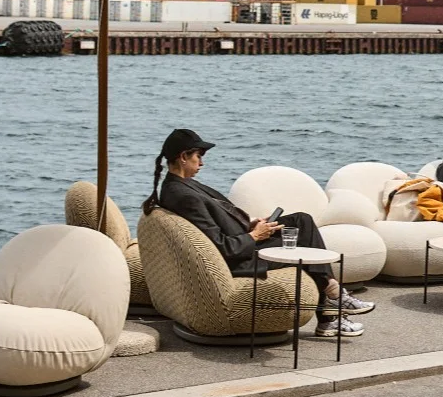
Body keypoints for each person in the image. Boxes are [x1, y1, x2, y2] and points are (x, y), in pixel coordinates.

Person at [142, 127, 374, 338]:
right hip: (241, 256)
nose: (201, 163)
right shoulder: (184, 195)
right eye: (198, 156)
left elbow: (216, 223)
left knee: (301, 222)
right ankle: (332, 304)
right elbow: (223, 248)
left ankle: (331, 305)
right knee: (304, 243)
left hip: (243, 239)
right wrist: (255, 236)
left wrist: (251, 224)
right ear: (183, 157)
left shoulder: (181, 187)